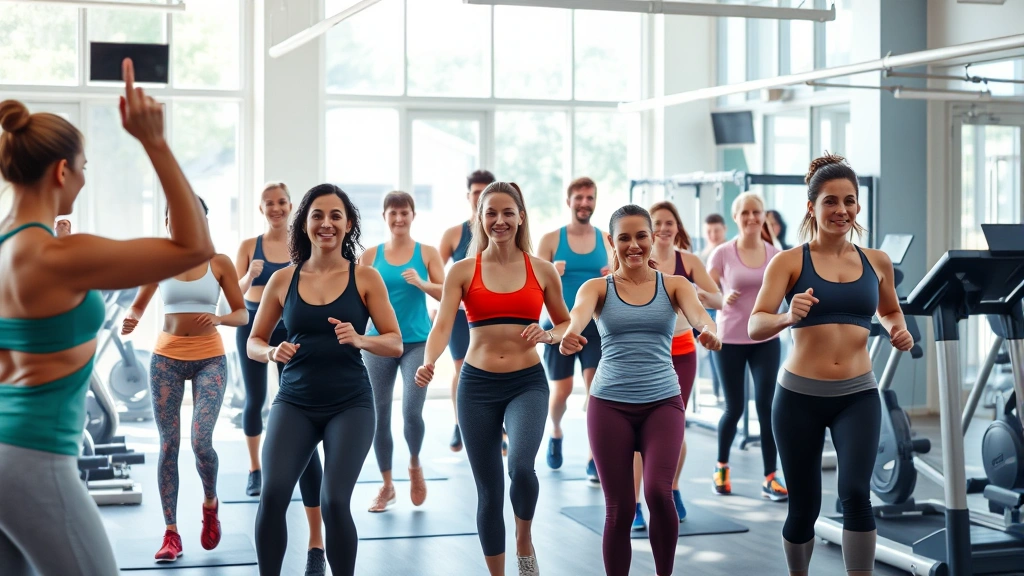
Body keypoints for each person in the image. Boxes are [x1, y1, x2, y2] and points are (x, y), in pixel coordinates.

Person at [0, 60, 214, 575]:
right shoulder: (56, 256)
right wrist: (154, 143)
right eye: (85, 167)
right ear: (61, 171)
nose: (84, 179)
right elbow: (194, 245)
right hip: (37, 459)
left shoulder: (8, 244)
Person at [749, 155, 912, 576]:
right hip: (798, 397)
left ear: (858, 206)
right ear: (812, 207)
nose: (842, 210)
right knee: (804, 505)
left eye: (850, 201)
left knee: (856, 492)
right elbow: (755, 324)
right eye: (831, 202)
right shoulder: (787, 262)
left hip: (857, 394)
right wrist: (787, 316)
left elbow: (890, 310)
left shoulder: (877, 262)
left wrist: (898, 328)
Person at [247, 184, 402, 576]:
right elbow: (254, 341)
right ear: (304, 224)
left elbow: (395, 342)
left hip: (350, 404)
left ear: (348, 224)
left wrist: (361, 338)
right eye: (318, 215)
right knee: (273, 496)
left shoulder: (365, 278)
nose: (327, 223)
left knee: (333, 501)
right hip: (295, 402)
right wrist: (270, 352)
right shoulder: (282, 280)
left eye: (336, 216)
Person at [557, 204, 721, 576]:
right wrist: (570, 335)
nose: (634, 245)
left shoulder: (674, 284)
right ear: (612, 242)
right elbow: (578, 314)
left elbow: (698, 313)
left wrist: (707, 330)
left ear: (652, 238)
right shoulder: (597, 287)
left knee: (659, 494)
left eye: (641, 236)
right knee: (619, 507)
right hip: (609, 405)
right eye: (625, 238)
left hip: (662, 403)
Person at [415, 182, 568, 576]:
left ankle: (524, 537)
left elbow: (565, 320)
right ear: (479, 220)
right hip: (477, 387)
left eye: (507, 212)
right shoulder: (463, 271)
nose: (499, 221)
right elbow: (442, 324)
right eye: (491, 214)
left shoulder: (543, 270)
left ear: (521, 216)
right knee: (489, 491)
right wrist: (429, 361)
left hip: (527, 383)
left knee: (520, 467)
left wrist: (549, 334)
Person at [121, 197, 249, 562]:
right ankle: (171, 533)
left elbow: (241, 314)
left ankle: (210, 503)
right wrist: (131, 318)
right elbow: (138, 304)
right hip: (166, 360)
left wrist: (221, 320)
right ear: (167, 223)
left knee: (201, 440)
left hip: (210, 358)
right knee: (168, 446)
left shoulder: (219, 262)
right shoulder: (159, 264)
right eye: (171, 218)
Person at [234, 182, 326, 573]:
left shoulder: (300, 244)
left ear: (291, 207)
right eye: (268, 203)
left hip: (293, 331)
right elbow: (232, 299)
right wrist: (250, 277)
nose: (275, 208)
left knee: (300, 419)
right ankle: (256, 469)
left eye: (281, 203)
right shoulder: (247, 247)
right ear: (261, 208)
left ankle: (316, 542)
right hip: (256, 329)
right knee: (256, 401)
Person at [630, 201, 721, 531]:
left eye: (670, 222)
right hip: (645, 354)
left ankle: (673, 486)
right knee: (639, 433)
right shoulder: (636, 258)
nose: (664, 228)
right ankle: (635, 503)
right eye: (657, 223)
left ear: (677, 227)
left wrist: (698, 296)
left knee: (673, 426)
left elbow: (719, 300)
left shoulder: (689, 262)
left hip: (682, 351)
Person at [359, 191, 444, 512]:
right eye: (393, 213)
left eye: (404, 212)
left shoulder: (427, 253)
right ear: (384, 216)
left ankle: (414, 465)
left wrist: (422, 283)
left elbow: (447, 294)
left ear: (413, 215)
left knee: (411, 412)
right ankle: (386, 485)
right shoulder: (370, 256)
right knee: (379, 415)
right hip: (378, 343)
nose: (398, 218)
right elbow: (358, 297)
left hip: (417, 343)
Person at [706, 192, 787, 501]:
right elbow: (704, 289)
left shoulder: (774, 254)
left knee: (767, 408)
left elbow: (784, 288)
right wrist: (720, 298)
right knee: (735, 407)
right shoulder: (723, 254)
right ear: (735, 217)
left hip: (765, 339)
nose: (752, 218)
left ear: (764, 216)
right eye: (746, 213)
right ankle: (721, 467)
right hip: (730, 340)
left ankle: (770, 477)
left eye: (757, 212)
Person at [535, 176, 610, 479]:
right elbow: (532, 283)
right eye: (579, 198)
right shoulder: (551, 240)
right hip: (559, 324)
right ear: (569, 202)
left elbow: (620, 279)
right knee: (562, 392)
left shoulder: (606, 239)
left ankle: (595, 455)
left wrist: (612, 274)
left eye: (590, 198)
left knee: (596, 390)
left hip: (595, 324)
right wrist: (550, 271)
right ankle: (555, 431)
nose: (584, 203)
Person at [437, 169, 496, 452]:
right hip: (461, 315)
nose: (480, 197)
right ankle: (461, 423)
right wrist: (449, 300)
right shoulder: (453, 234)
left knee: (495, 365)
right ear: (469, 196)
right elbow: (436, 274)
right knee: (463, 368)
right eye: (476, 193)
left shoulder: (499, 231)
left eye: (486, 192)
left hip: (493, 313)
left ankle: (497, 423)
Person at [699, 213, 727, 402]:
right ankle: (718, 391)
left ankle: (725, 391)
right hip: (707, 311)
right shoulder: (700, 257)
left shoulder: (730, 252)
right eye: (709, 231)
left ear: (724, 230)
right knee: (712, 352)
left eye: (716, 230)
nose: (713, 234)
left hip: (728, 309)